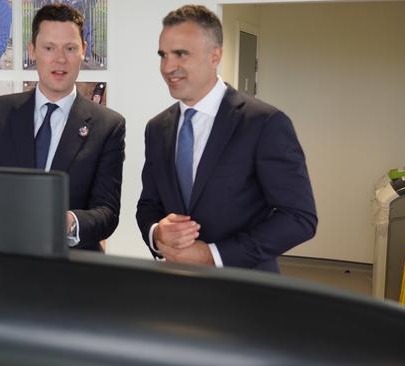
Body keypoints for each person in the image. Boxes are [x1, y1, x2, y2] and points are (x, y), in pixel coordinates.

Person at [136, 5, 317, 272]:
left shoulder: (264, 123)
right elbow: (149, 205)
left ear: (215, 56)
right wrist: (157, 234)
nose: (168, 67)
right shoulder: (157, 128)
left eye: (180, 54)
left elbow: (299, 218)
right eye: (163, 55)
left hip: (245, 292)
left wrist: (213, 255)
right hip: (178, 287)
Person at [0, 3, 125, 252]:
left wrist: (69, 222)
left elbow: (107, 213)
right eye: (49, 48)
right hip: (5, 265)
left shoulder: (108, 125)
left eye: (70, 48)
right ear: (32, 51)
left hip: (74, 272)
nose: (60, 59)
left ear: (84, 51)